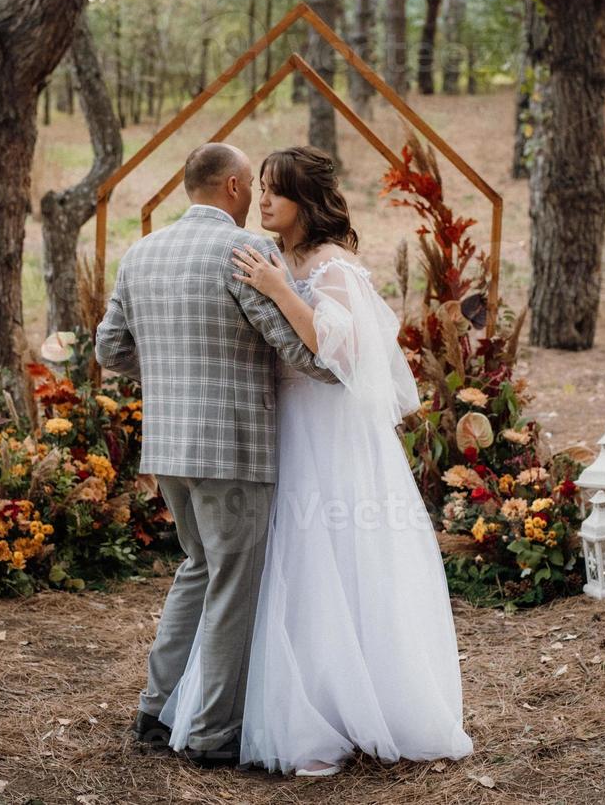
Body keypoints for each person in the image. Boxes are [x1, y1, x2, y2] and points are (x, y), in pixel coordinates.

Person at [159, 145, 473, 776]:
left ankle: (348, 705)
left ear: (306, 201)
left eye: (276, 191)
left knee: (333, 559)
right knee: (283, 565)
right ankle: (284, 705)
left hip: (328, 431)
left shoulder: (333, 265)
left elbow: (345, 354)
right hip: (276, 427)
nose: (263, 200)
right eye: (262, 189)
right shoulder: (272, 256)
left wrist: (280, 289)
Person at [95, 142, 338, 768]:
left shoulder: (139, 251)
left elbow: (110, 351)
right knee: (232, 585)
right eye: (249, 184)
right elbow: (303, 352)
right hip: (233, 446)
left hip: (169, 447)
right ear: (233, 186)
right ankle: (210, 734)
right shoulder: (242, 252)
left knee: (197, 568)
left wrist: (174, 368)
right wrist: (338, 361)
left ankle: (155, 708)